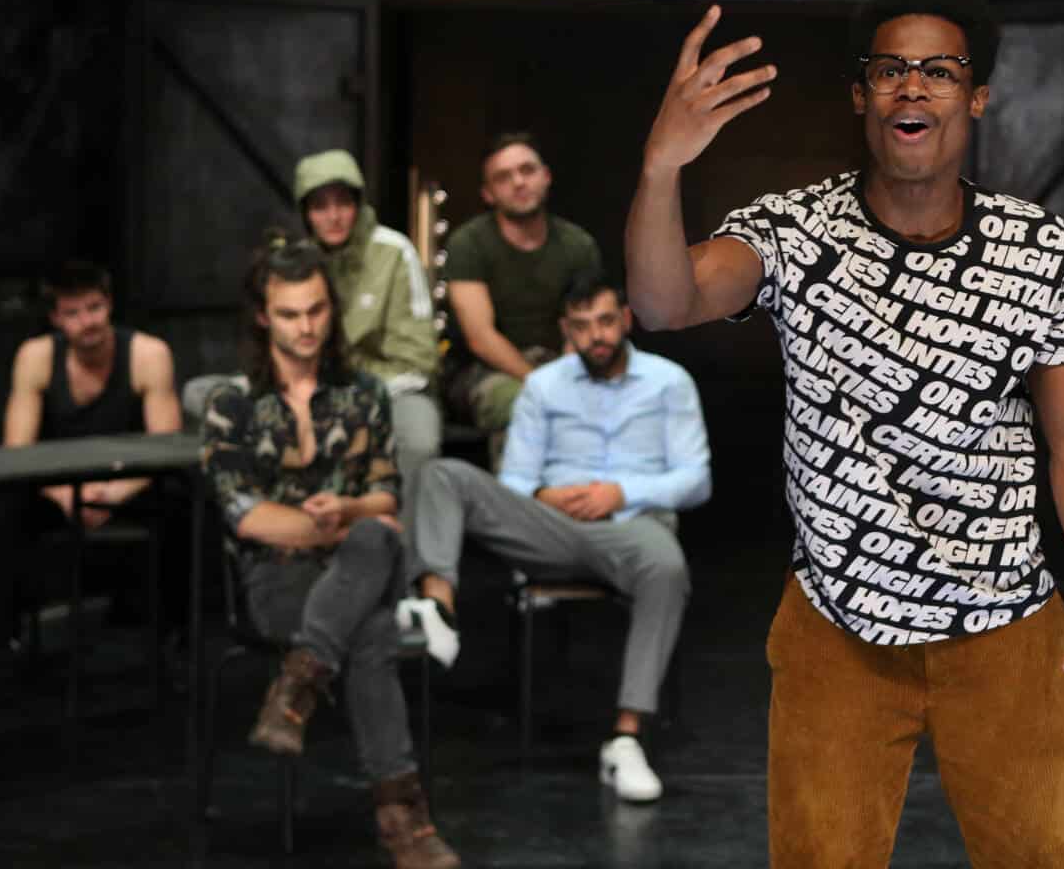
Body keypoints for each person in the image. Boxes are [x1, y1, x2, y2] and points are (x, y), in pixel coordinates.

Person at [625, 0, 1064, 866]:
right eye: (890, 70)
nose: (913, 87)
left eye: (940, 71)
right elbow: (663, 302)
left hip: (1005, 628)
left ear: (976, 97)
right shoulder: (791, 233)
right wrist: (661, 165)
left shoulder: (1041, 249)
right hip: (839, 632)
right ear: (860, 95)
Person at [202, 235, 459, 869]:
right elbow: (246, 516)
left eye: (317, 310)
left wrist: (347, 511)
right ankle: (405, 824)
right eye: (289, 314)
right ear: (263, 317)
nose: (306, 326)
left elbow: (386, 498)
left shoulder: (365, 393)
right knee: (371, 628)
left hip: (358, 560)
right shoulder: (232, 406)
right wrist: (334, 526)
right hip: (276, 580)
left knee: (376, 537)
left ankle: (297, 687)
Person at [405, 276, 710, 803]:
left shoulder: (669, 382)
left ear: (626, 320)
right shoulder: (544, 385)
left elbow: (696, 479)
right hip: (553, 526)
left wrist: (620, 493)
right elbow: (515, 480)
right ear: (567, 330)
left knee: (667, 566)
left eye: (606, 321)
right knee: (444, 476)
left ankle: (626, 738)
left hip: (631, 525)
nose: (597, 336)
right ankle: (438, 610)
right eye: (583, 326)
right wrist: (544, 495)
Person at [440, 133, 602, 459]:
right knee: (524, 406)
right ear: (488, 193)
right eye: (503, 177)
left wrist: (568, 380)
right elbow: (481, 338)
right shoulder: (468, 243)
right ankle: (521, 495)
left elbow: (585, 325)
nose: (518, 182)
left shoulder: (577, 245)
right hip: (485, 371)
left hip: (560, 364)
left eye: (527, 170)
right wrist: (542, 384)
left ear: (546, 176)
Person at [293, 150, 442, 486]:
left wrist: (352, 388)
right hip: (312, 387)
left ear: (358, 205)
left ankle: (409, 523)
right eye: (320, 206)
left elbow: (418, 361)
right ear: (305, 214)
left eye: (343, 203)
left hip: (394, 389)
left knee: (419, 441)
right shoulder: (298, 261)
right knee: (207, 395)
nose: (333, 216)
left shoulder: (394, 252)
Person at [4, 260, 182, 522]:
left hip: (130, 486)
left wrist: (111, 494)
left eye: (94, 307)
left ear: (109, 304)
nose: (87, 322)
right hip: (57, 488)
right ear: (55, 318)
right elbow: (16, 454)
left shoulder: (148, 355)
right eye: (72, 313)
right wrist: (66, 495)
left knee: (177, 498)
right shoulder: (35, 357)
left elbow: (167, 451)